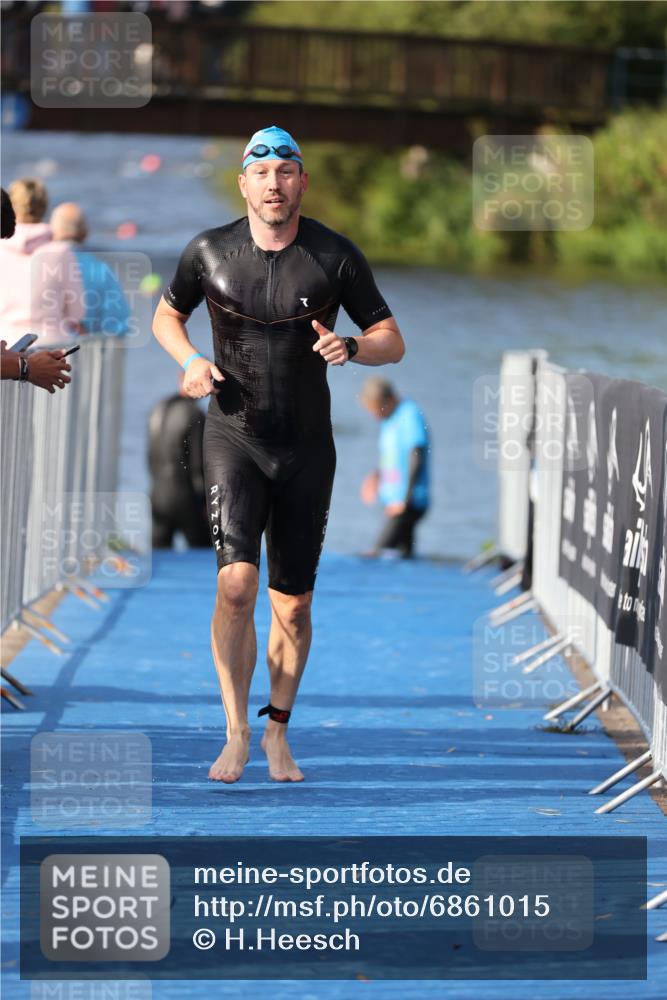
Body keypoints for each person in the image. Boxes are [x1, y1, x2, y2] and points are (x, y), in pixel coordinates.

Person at [152, 125, 404, 784]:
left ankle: (276, 732)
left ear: (301, 183)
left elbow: (391, 339)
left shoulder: (335, 256)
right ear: (243, 183)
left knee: (292, 604)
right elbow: (165, 316)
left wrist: (353, 346)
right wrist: (190, 361)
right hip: (233, 437)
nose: (274, 184)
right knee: (235, 586)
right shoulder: (209, 251)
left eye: (286, 172)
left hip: (306, 447)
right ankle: (236, 730)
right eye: (261, 174)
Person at [0, 179, 84, 345]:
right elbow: (77, 312)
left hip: (5, 343)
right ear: (44, 207)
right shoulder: (61, 251)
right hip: (51, 344)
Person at [360, 378, 430, 558]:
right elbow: (392, 457)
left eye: (377, 409)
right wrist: (376, 476)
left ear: (389, 400)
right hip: (396, 503)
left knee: (375, 555)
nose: (376, 416)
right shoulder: (389, 419)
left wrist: (405, 500)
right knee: (404, 555)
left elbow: (417, 455)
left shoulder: (409, 414)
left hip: (408, 503)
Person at [147, 375, 209, 550]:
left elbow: (150, 456)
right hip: (186, 495)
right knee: (202, 552)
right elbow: (198, 464)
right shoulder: (194, 414)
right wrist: (205, 502)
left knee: (159, 554)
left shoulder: (158, 409)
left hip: (158, 493)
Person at [50, 202, 130, 336]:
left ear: (51, 231)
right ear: (85, 233)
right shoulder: (101, 270)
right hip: (86, 347)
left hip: (37, 345)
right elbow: (118, 325)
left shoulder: (34, 266)